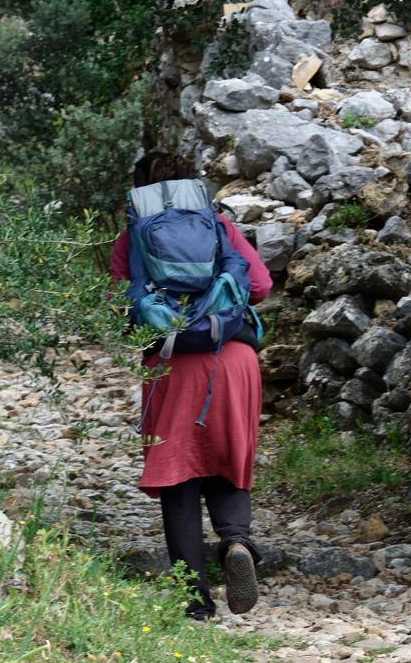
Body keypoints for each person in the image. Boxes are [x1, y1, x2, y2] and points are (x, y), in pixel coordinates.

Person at [110, 152, 273, 620]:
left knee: (178, 475)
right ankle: (236, 541)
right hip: (233, 357)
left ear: (140, 192)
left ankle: (196, 601)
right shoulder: (220, 226)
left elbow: (119, 301)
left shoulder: (132, 239)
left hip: (172, 363)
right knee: (227, 457)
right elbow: (259, 287)